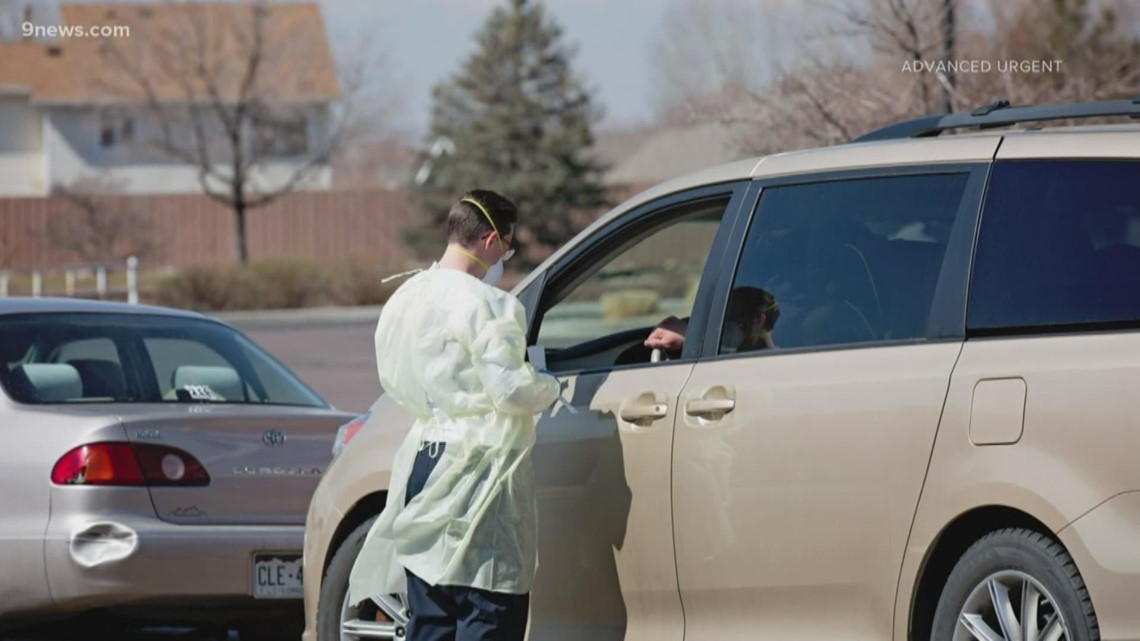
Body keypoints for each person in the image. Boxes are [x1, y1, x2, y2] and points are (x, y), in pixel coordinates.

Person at [349, 189, 561, 641]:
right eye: (507, 247)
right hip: (480, 468)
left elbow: (393, 376)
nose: (504, 258)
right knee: (487, 605)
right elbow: (510, 389)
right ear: (490, 240)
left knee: (431, 610)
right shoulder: (489, 304)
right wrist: (548, 384)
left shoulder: (405, 297)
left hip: (424, 459)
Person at [644, 286, 780, 354]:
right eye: (724, 320)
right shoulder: (778, 355)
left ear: (759, 320)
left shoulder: (756, 365)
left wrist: (691, 336)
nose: (726, 328)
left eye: (737, 321)